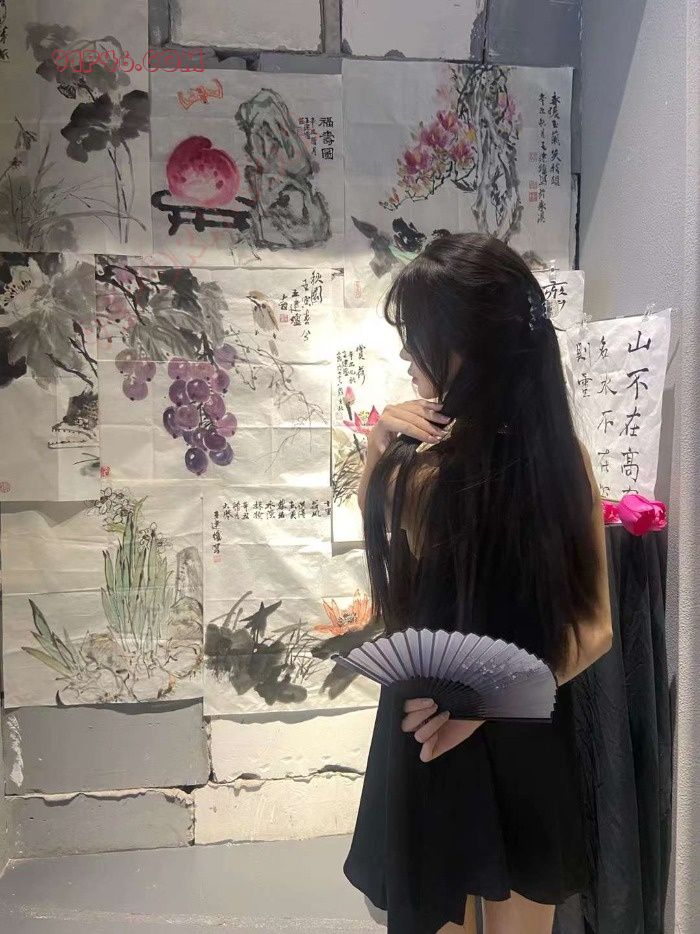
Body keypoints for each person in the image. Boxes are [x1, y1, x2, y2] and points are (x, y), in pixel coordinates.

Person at [342, 232, 614, 934]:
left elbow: (596, 627)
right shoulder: (557, 461)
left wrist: (381, 447)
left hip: (445, 725)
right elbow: (593, 629)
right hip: (493, 724)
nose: (408, 357)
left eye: (417, 339)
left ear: (467, 344)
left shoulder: (423, 469)